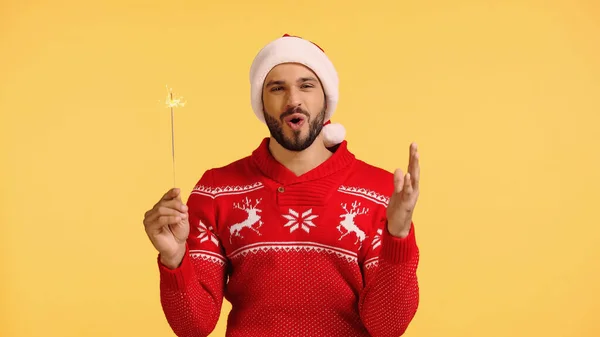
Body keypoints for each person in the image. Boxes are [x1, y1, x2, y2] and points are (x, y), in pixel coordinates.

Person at [143, 33, 421, 337]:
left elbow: (388, 327)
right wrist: (174, 258)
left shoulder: (381, 193)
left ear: (326, 98)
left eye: (306, 85)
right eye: (277, 88)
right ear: (260, 103)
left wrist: (398, 236)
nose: (293, 100)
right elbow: (193, 326)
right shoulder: (216, 191)